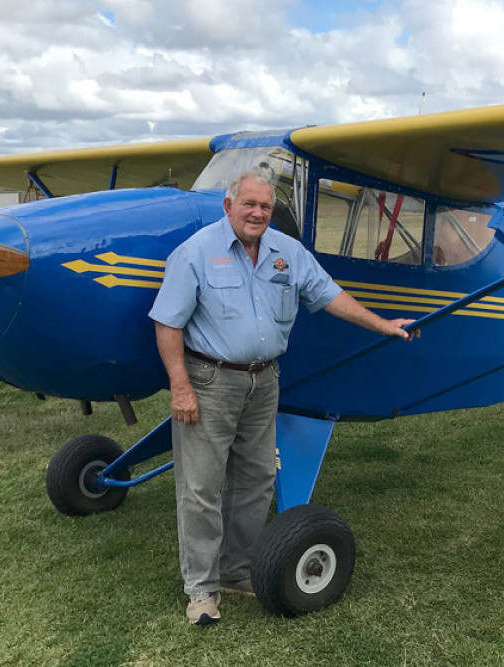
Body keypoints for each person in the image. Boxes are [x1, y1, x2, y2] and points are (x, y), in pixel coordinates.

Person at [149, 170, 417, 626]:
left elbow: (330, 295)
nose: (257, 213)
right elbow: (167, 324)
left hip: (265, 381)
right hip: (210, 381)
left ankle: (236, 572)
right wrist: (180, 387)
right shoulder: (194, 253)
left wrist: (383, 325)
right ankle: (201, 590)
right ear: (228, 206)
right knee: (201, 488)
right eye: (249, 204)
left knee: (255, 481)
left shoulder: (287, 252)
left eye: (266, 207)